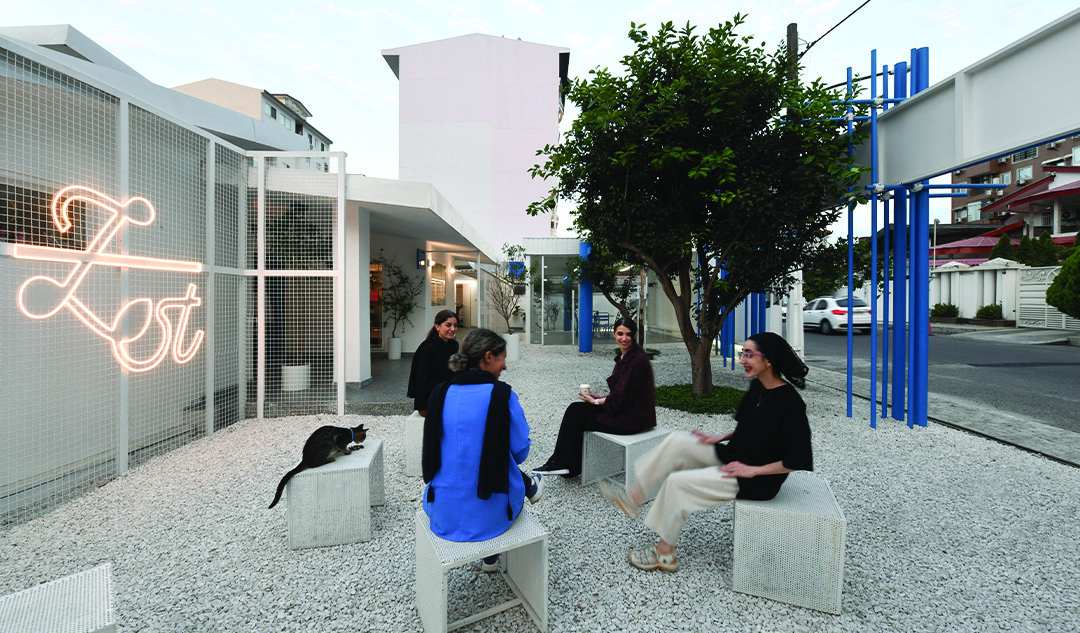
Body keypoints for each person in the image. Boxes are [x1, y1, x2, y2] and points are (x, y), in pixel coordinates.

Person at [598, 331, 812, 573]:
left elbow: (797, 458)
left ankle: (665, 553)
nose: (742, 360)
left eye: (749, 355)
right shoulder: (759, 386)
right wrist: (720, 437)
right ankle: (634, 497)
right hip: (736, 455)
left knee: (679, 483)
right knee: (678, 442)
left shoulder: (792, 403)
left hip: (758, 478)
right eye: (743, 354)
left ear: (769, 360)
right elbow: (752, 425)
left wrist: (752, 470)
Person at [422, 328, 543, 572]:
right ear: (488, 356)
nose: (505, 366)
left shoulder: (439, 393)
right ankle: (529, 487)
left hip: (441, 511)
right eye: (502, 358)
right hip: (489, 517)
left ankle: (490, 556)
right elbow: (520, 452)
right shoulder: (502, 396)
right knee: (500, 463)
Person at [533, 316, 656, 477]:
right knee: (575, 409)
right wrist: (599, 397)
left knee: (579, 419)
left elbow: (622, 398)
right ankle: (565, 464)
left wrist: (596, 401)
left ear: (634, 335)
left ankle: (567, 465)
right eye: (620, 334)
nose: (624, 338)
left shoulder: (637, 361)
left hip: (632, 419)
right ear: (614, 334)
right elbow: (622, 392)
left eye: (628, 334)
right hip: (624, 409)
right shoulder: (623, 357)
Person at [407, 309, 459, 416]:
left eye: (455, 325)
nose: (452, 329)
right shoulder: (429, 348)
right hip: (429, 401)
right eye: (448, 325)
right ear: (437, 327)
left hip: (448, 394)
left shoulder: (453, 345)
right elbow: (423, 382)